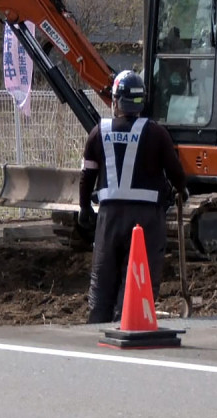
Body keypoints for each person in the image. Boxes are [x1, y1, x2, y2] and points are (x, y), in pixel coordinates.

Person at [78, 70, 188, 324]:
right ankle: (129, 322)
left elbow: (87, 176)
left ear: (116, 100)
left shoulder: (99, 131)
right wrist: (180, 190)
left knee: (104, 276)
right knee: (139, 276)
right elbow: (176, 174)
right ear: (142, 101)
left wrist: (85, 208)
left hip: (109, 218)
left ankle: (98, 324)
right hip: (147, 220)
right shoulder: (157, 133)